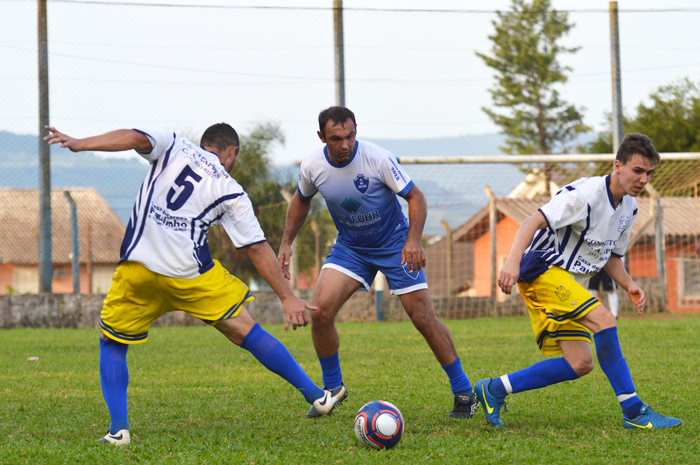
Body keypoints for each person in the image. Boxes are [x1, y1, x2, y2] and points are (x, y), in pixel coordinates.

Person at [44, 124, 346, 446]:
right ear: (232, 153)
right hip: (190, 275)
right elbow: (256, 247)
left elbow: (135, 137)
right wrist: (287, 298)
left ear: (204, 144)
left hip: (138, 269)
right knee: (246, 329)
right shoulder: (230, 189)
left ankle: (118, 430)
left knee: (112, 342)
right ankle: (317, 396)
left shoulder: (173, 144)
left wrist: (80, 143)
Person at [277, 106, 478, 419]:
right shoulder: (313, 165)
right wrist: (286, 242)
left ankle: (464, 391)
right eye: (336, 139)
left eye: (350, 136)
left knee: (422, 316)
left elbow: (416, 197)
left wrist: (413, 240)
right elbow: (301, 200)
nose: (345, 145)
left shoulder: (378, 158)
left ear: (356, 131)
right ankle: (333, 389)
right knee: (321, 311)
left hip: (394, 244)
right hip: (351, 248)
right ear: (322, 137)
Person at [474, 133, 681, 430]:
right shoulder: (584, 196)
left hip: (568, 282)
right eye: (638, 171)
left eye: (649, 173)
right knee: (605, 320)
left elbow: (610, 256)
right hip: (542, 271)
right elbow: (531, 222)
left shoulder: (630, 207)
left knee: (580, 363)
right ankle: (635, 412)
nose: (644, 179)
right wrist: (511, 262)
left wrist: (629, 285)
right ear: (618, 165)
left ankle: (493, 389)